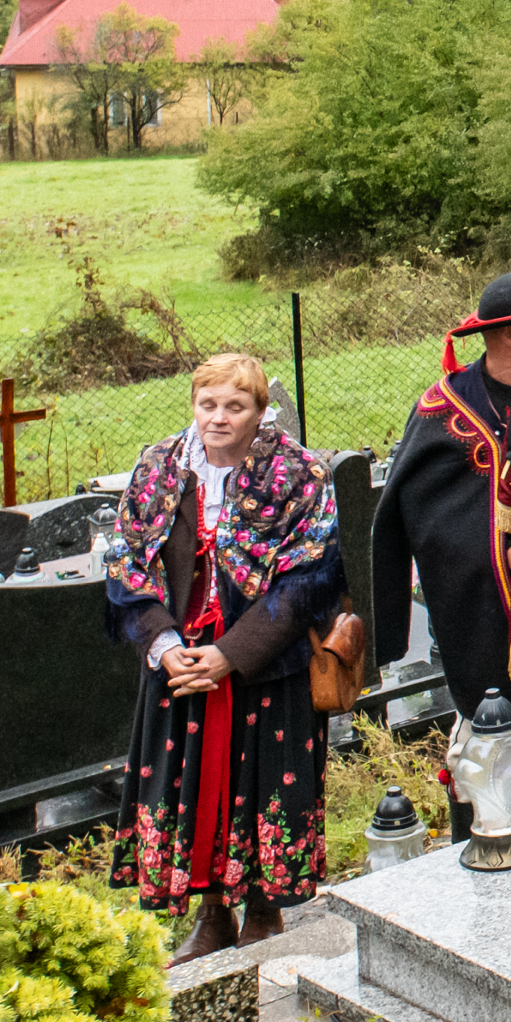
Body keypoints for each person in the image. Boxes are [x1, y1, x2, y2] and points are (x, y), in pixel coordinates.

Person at [108, 350, 342, 964]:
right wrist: (164, 646)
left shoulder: (298, 475)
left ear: (259, 413)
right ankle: (212, 916)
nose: (218, 418)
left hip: (263, 661)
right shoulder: (160, 469)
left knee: (262, 780)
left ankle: (262, 909)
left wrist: (230, 654)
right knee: (196, 783)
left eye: (234, 406)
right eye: (207, 404)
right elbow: (129, 565)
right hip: (179, 663)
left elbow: (307, 580)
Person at [370, 272, 511, 799]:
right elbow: (422, 515)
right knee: (485, 730)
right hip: (482, 603)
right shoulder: (444, 407)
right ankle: (476, 840)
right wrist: (497, 544)